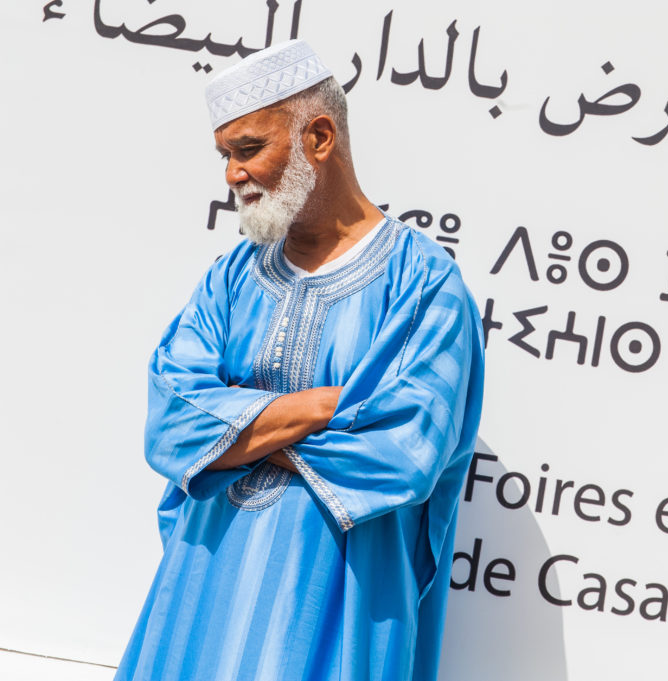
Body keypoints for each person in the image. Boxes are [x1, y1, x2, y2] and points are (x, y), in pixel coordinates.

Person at [114, 39, 485, 681]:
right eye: (225, 156)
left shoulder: (425, 286)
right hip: (201, 595)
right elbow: (172, 423)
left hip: (336, 609)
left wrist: (236, 435)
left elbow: (402, 452)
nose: (232, 174)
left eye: (248, 149)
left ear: (317, 137)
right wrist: (323, 407)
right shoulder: (231, 279)